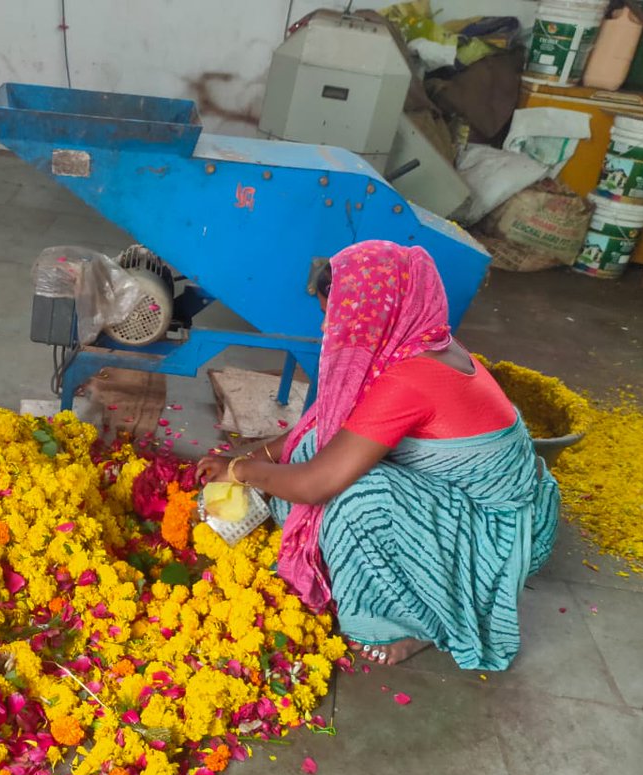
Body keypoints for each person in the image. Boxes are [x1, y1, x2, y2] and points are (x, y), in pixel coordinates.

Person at [196, 240, 559, 672]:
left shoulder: (411, 377)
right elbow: (321, 428)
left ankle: (416, 625)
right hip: (476, 508)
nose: (332, 330)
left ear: (372, 314)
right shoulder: (416, 340)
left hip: (503, 540)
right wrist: (255, 457)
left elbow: (316, 485)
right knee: (324, 447)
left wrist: (241, 471)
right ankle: (362, 563)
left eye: (341, 318)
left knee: (358, 500)